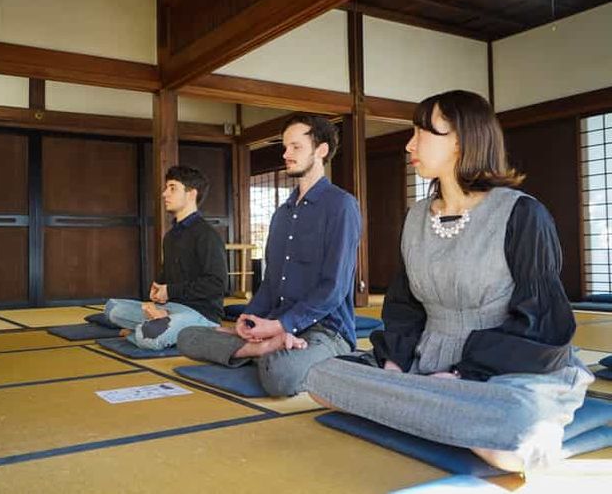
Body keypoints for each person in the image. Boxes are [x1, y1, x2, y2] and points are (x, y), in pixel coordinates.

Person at [306, 90, 593, 472]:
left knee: (514, 424)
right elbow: (403, 306)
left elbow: (543, 320)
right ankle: (437, 408)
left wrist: (463, 373)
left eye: (422, 133)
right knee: (322, 376)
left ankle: (422, 405)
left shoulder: (522, 214)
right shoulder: (416, 217)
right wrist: (395, 360)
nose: (410, 144)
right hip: (424, 358)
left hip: (503, 369)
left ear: (460, 139)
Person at [177, 114, 361, 396]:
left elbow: (333, 289)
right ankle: (261, 349)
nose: (286, 154)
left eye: (296, 147)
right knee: (187, 336)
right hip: (275, 326)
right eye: (285, 147)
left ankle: (266, 354)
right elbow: (272, 282)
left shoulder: (342, 206)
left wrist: (281, 325)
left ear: (321, 151)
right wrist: (250, 319)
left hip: (324, 331)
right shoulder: (282, 213)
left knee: (280, 375)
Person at [104, 165, 227, 350]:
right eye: (166, 188)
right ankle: (153, 326)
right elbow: (166, 276)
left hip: (199, 314)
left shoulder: (207, 235)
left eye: (172, 188)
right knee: (112, 308)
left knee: (150, 336)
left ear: (191, 194)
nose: (164, 194)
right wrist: (156, 297)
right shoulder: (170, 236)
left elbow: (217, 284)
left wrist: (169, 291)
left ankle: (140, 331)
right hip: (169, 309)